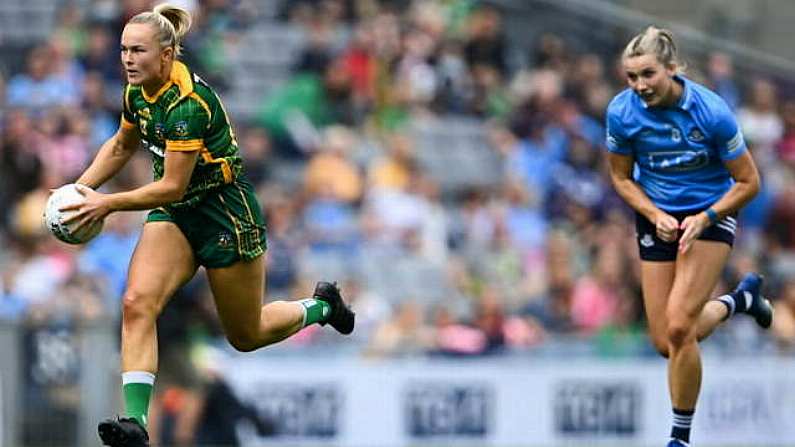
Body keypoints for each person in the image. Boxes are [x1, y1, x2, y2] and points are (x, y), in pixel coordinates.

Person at [59, 4, 355, 447]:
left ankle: (322, 307)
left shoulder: (188, 106)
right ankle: (135, 423)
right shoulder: (136, 92)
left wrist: (106, 204)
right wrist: (78, 192)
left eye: (137, 51)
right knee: (137, 302)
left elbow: (172, 186)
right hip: (178, 214)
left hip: (225, 216)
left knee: (246, 334)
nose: (127, 59)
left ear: (167, 54)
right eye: (123, 50)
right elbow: (122, 144)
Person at [605, 26, 773, 447]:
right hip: (657, 217)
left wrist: (707, 216)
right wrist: (653, 213)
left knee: (681, 326)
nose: (640, 86)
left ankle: (679, 438)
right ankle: (738, 300)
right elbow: (621, 178)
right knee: (665, 340)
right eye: (632, 77)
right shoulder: (621, 112)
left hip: (711, 214)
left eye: (648, 74)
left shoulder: (711, 111)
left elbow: (749, 183)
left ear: (673, 69)